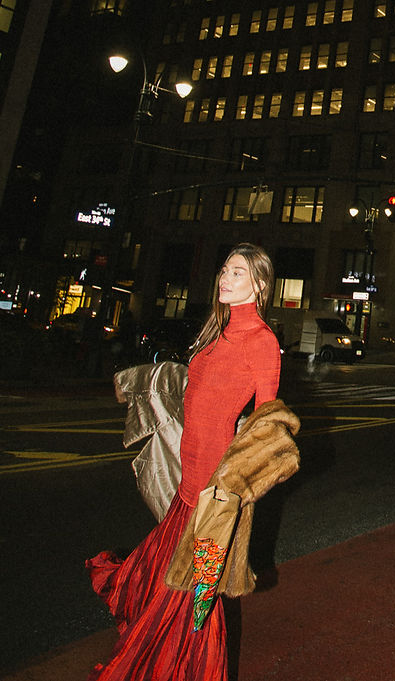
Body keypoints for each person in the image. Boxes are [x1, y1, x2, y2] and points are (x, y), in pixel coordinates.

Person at [86, 244, 282, 681]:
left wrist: (234, 485)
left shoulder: (262, 341)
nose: (224, 279)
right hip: (187, 479)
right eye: (224, 270)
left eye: (237, 273)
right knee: (165, 578)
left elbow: (266, 425)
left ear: (260, 285)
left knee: (196, 599)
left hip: (214, 491)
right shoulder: (219, 331)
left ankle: (190, 670)